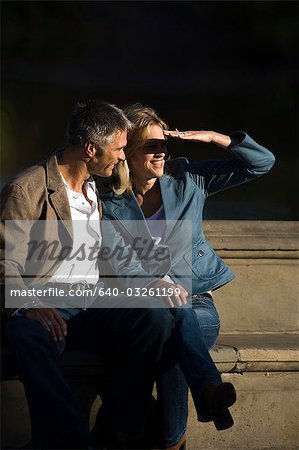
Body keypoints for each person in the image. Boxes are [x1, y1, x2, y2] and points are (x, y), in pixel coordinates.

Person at [0, 100, 177, 449]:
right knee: (29, 331)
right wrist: (29, 304)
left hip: (93, 299)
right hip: (47, 299)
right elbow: (5, 263)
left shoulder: (98, 185)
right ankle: (66, 440)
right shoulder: (28, 188)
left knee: (154, 318)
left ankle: (121, 427)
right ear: (91, 149)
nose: (124, 157)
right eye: (120, 149)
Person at [99, 104, 276, 449]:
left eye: (163, 143)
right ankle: (190, 416)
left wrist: (214, 138)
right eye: (151, 145)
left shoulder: (188, 179)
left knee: (175, 317)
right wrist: (154, 284)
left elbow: (262, 163)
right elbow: (116, 260)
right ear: (127, 152)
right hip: (143, 307)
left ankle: (131, 431)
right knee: (167, 325)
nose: (161, 151)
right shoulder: (107, 199)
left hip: (198, 306)